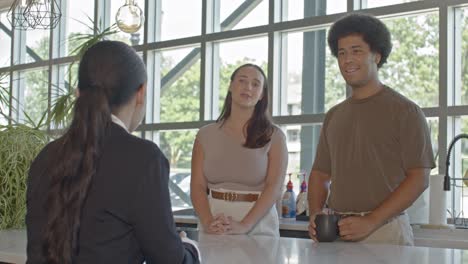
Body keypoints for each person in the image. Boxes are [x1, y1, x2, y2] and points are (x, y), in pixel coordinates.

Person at [26, 41, 200, 264]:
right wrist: (188, 246)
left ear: (78, 93)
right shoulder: (143, 158)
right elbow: (169, 260)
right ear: (141, 93)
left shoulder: (45, 157)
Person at [307, 13, 435, 245]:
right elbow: (320, 174)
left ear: (377, 55)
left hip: (385, 231)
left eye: (356, 51)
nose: (347, 60)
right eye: (342, 53)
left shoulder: (406, 112)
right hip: (336, 232)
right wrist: (316, 214)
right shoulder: (334, 116)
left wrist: (372, 220)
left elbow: (419, 178)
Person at [190, 63, 288, 237]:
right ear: (230, 86)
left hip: (258, 225)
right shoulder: (205, 134)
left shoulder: (275, 136)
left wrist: (244, 225)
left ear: (262, 95)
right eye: (242, 81)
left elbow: (274, 187)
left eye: (255, 84)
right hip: (214, 222)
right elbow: (197, 186)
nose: (248, 87)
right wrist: (207, 222)